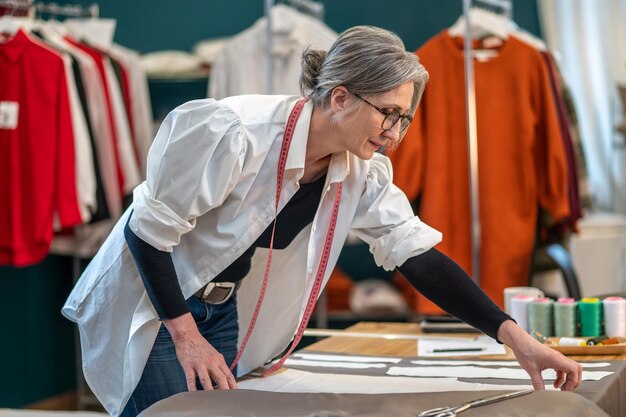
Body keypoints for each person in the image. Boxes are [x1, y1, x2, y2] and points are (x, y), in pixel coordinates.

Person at [63, 25, 583, 417]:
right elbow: (147, 232)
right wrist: (184, 334)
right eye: (387, 113)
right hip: (155, 308)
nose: (395, 132)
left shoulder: (360, 168)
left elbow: (416, 256)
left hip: (219, 311)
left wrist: (516, 338)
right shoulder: (232, 132)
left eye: (404, 118)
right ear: (339, 98)